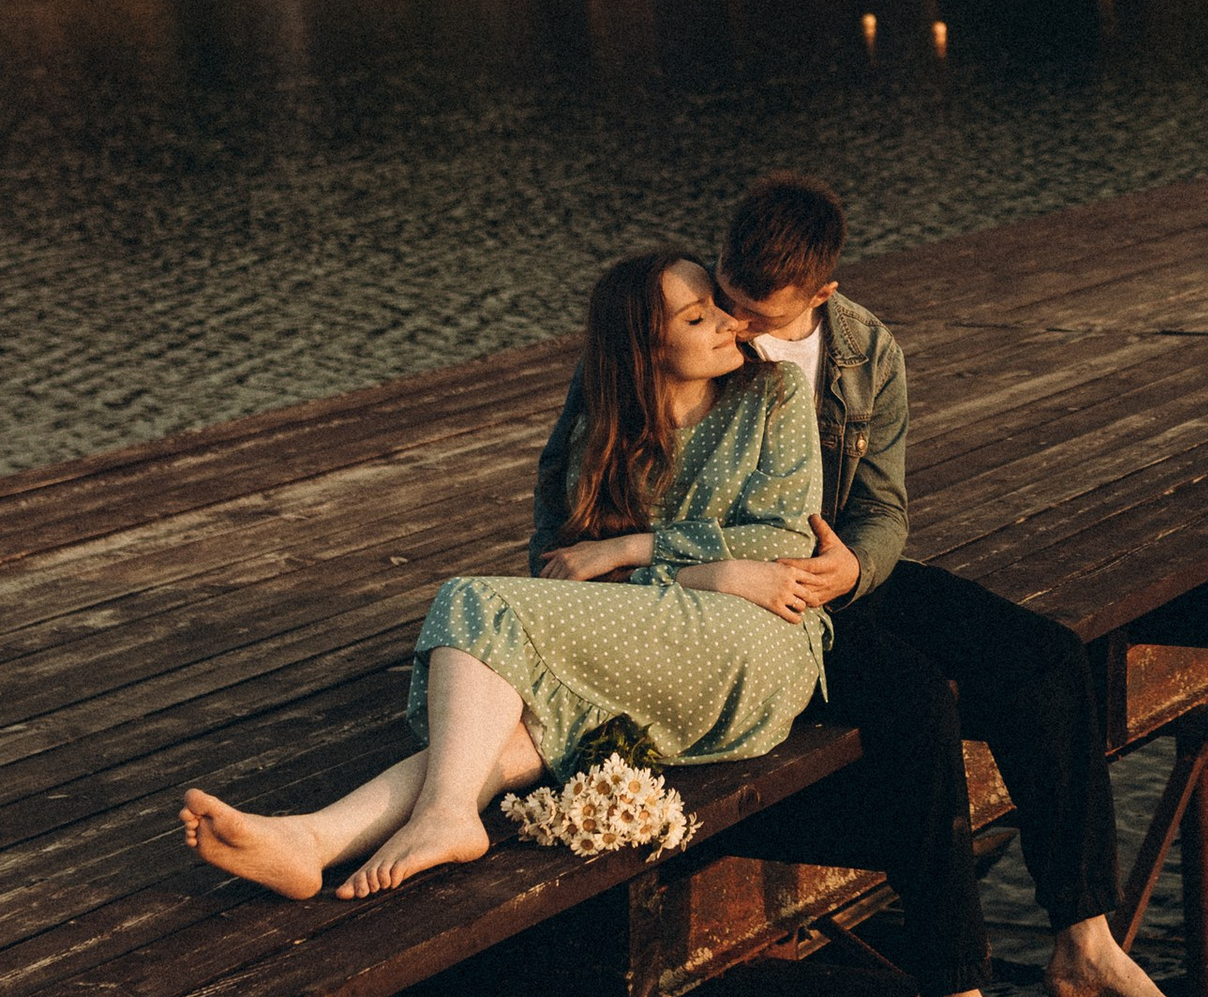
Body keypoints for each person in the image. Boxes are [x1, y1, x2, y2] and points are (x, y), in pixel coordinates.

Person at [689, 171, 1206, 997]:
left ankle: (1083, 931)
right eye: (726, 295)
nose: (736, 324)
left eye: (757, 312)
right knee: (915, 701)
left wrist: (854, 572)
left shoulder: (865, 351)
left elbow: (883, 509)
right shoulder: (677, 327)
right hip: (738, 593)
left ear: (822, 296)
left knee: (1046, 657)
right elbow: (603, 466)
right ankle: (951, 995)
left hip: (838, 571)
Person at [181, 253, 827, 903]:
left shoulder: (773, 395)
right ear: (645, 346)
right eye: (698, 316)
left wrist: (631, 549)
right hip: (652, 641)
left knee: (472, 600)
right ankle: (315, 840)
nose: (730, 322)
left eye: (715, 305)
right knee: (505, 733)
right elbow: (558, 553)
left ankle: (445, 817)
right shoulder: (604, 423)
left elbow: (779, 543)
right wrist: (705, 571)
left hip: (762, 635)